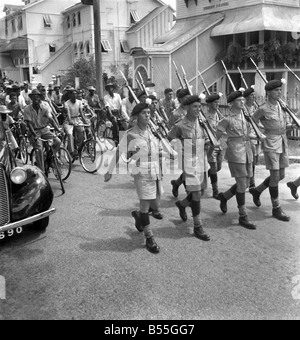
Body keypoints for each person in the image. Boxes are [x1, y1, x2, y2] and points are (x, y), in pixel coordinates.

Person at [104, 102, 163, 254]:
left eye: (149, 113)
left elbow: (158, 148)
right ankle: (149, 237)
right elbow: (119, 152)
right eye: (144, 113)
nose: (148, 115)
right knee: (145, 206)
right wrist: (110, 170)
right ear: (136, 117)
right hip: (141, 171)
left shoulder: (153, 130)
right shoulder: (130, 134)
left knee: (155, 205)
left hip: (155, 171)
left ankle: (139, 216)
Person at [168, 95, 211, 241]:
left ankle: (182, 204)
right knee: (197, 194)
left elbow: (207, 137)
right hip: (189, 161)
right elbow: (170, 137)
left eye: (200, 106)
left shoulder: (202, 122)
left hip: (202, 160)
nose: (198, 109)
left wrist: (207, 144)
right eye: (195, 107)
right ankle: (198, 226)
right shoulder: (180, 125)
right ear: (187, 108)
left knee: (201, 191)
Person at [250, 79, 293, 222]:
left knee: (280, 175)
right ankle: (276, 208)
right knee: (275, 176)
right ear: (268, 92)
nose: (279, 92)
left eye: (280, 90)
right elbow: (252, 122)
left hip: (282, 141)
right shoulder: (263, 108)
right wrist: (260, 133)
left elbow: (283, 123)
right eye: (276, 90)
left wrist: (289, 126)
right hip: (270, 143)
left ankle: (257, 191)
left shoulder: (282, 106)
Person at [216, 90, 256, 230]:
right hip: (235, 151)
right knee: (241, 184)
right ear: (232, 103)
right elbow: (216, 135)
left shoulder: (246, 116)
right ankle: (243, 216)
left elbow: (249, 132)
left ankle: (224, 197)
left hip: (247, 151)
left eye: (243, 100)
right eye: (239, 100)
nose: (243, 102)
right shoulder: (227, 119)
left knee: (245, 183)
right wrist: (215, 149)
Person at [23, 89, 61, 172]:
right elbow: (29, 124)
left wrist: (58, 129)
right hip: (34, 132)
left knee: (57, 141)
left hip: (44, 130)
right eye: (34, 97)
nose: (36, 98)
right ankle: (42, 171)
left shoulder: (45, 106)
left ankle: (50, 157)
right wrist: (35, 135)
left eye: (37, 96)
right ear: (31, 98)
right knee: (39, 149)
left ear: (40, 97)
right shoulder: (27, 109)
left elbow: (50, 119)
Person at [169, 89, 190, 198]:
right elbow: (172, 130)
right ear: (180, 99)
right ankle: (190, 195)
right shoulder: (176, 114)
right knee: (187, 171)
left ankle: (176, 184)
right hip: (181, 145)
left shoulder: (193, 110)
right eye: (185, 97)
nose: (187, 99)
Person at [206, 93, 223, 200]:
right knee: (214, 168)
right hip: (210, 146)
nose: (217, 104)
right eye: (215, 102)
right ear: (209, 104)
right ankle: (215, 191)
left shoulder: (218, 114)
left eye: (218, 102)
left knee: (219, 167)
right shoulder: (206, 117)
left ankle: (202, 178)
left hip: (219, 145)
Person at [244, 86, 261, 189]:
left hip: (255, 137)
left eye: (254, 95)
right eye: (251, 95)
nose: (253, 97)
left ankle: (250, 179)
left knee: (254, 160)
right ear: (246, 97)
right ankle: (251, 182)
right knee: (249, 160)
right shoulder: (243, 109)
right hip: (247, 137)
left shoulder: (256, 108)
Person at [64, 89, 88, 158]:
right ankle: (72, 152)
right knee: (69, 133)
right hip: (69, 121)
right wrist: (70, 120)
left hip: (77, 120)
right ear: (70, 95)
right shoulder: (67, 103)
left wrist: (84, 120)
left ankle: (80, 149)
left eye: (75, 94)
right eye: (73, 94)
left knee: (82, 131)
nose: (74, 95)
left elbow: (81, 112)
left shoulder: (79, 102)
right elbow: (68, 113)